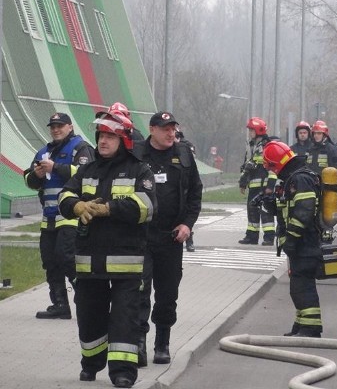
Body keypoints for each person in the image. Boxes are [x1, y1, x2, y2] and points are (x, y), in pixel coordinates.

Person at [58, 110, 156, 388]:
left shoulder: (140, 170)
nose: (103, 140)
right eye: (101, 135)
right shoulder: (87, 170)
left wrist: (109, 208)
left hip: (126, 263)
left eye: (110, 135)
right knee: (89, 315)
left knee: (125, 319)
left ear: (123, 139)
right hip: (88, 261)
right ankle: (91, 363)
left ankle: (123, 371)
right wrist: (76, 205)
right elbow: (66, 192)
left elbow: (147, 207)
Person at [133, 111, 203, 367]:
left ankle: (162, 343)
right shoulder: (137, 154)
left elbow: (196, 192)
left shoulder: (183, 155)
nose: (171, 133)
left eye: (173, 128)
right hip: (141, 236)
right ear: (152, 129)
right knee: (139, 291)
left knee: (167, 294)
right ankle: (138, 343)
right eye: (165, 129)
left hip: (172, 237)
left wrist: (188, 224)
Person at [24, 112, 94, 320]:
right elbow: (28, 180)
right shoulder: (43, 152)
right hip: (49, 217)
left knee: (67, 258)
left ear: (70, 127)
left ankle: (86, 300)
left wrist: (57, 167)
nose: (56, 129)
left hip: (72, 216)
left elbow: (87, 174)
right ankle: (60, 304)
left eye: (60, 126)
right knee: (50, 261)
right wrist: (35, 176)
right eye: (53, 126)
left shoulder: (80, 148)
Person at [262, 141, 323, 338]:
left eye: (271, 166)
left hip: (305, 243)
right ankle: (301, 324)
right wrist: (270, 204)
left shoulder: (300, 179)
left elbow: (304, 211)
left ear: (276, 163)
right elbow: (288, 209)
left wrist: (292, 239)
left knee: (302, 286)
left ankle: (311, 328)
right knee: (298, 286)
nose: (272, 172)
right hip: (302, 244)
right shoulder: (293, 178)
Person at [238, 117, 277, 245]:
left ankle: (269, 237)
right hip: (253, 185)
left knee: (266, 211)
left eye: (251, 130)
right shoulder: (251, 146)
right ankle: (251, 236)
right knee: (252, 210)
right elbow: (246, 165)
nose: (250, 133)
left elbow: (273, 168)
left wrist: (270, 186)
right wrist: (243, 182)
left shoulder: (268, 146)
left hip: (265, 185)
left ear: (258, 130)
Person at [175, 128, 197, 252]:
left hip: (186, 183)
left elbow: (191, 161)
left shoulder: (187, 147)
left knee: (187, 214)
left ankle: (189, 241)